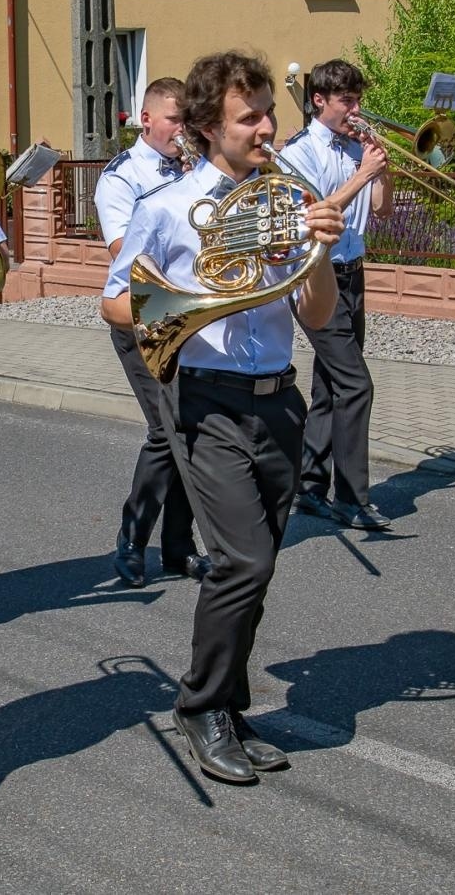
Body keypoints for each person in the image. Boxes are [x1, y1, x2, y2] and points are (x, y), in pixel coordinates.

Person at [102, 51, 342, 784]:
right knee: (243, 559)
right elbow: (115, 300)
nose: (268, 126)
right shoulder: (169, 207)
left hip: (279, 399)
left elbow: (320, 315)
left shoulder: (286, 200)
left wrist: (321, 249)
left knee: (256, 567)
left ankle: (230, 706)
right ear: (208, 128)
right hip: (207, 397)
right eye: (250, 116)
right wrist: (189, 294)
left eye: (270, 110)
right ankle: (200, 704)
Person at [93, 76, 209, 587]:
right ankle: (133, 539)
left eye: (188, 121)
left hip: (194, 317)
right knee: (166, 431)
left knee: (190, 431)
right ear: (146, 120)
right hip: (143, 318)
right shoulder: (122, 177)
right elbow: (126, 254)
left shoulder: (200, 170)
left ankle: (178, 547)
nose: (182, 130)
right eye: (173, 120)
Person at [277, 60, 394, 530]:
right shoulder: (298, 153)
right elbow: (317, 212)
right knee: (356, 385)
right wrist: (364, 174)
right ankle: (351, 497)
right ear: (319, 100)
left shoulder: (355, 148)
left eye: (358, 99)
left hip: (353, 272)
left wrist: (381, 169)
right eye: (347, 100)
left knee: (330, 384)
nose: (356, 109)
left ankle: (310, 486)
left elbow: (381, 213)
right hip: (315, 276)